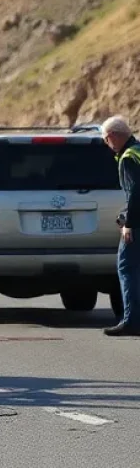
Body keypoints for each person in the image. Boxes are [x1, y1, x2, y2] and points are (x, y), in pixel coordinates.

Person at [101, 115, 140, 336]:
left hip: (138, 223)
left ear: (114, 136)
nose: (107, 145)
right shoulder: (138, 150)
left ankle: (132, 321)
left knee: (127, 268)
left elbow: (136, 193)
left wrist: (129, 223)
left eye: (106, 140)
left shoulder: (128, 157)